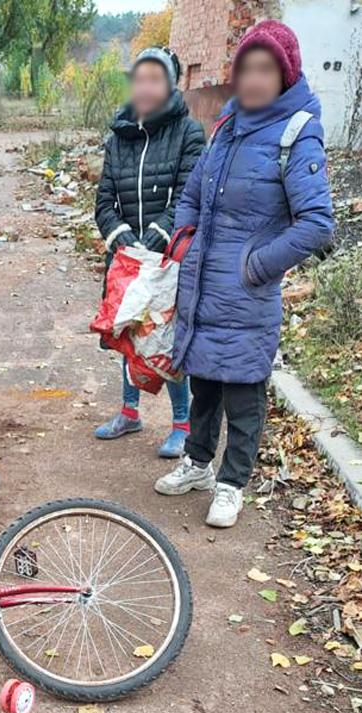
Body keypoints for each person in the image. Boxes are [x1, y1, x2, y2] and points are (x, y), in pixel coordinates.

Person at [155, 20, 334, 527]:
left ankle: (232, 484)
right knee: (205, 382)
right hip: (204, 285)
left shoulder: (298, 131)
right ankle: (197, 464)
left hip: (246, 293)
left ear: (285, 74)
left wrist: (255, 266)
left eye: (265, 70)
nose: (252, 80)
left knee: (243, 394)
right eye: (245, 69)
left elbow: (317, 224)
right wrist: (184, 238)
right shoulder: (228, 125)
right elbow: (193, 191)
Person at [94, 46, 205, 458]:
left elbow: (190, 195)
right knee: (125, 333)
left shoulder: (188, 134)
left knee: (165, 338)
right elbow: (104, 200)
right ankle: (129, 412)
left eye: (156, 78)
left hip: (165, 259)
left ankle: (181, 424)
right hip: (125, 260)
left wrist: (156, 240)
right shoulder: (118, 137)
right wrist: (121, 239)